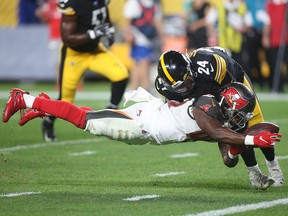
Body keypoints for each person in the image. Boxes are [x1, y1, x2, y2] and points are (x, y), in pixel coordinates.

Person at [2, 84, 281, 189]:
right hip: (141, 124)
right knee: (85, 120)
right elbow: (216, 132)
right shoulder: (206, 108)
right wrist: (250, 140)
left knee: (93, 116)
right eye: (241, 112)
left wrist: (239, 147)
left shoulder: (218, 116)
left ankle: (43, 103)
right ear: (229, 104)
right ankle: (24, 98)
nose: (243, 118)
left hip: (150, 122)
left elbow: (226, 156)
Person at [154, 46, 284, 188]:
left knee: (250, 122)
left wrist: (230, 110)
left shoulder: (211, 65)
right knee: (231, 130)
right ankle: (253, 172)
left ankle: (274, 168)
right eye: (180, 87)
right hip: (201, 97)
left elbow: (234, 89)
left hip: (227, 82)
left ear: (189, 68)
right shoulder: (165, 89)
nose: (186, 87)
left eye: (188, 81)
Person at [41, 0, 129, 142]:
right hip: (74, 55)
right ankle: (48, 123)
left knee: (121, 75)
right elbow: (67, 38)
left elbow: (104, 15)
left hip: (95, 51)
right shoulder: (73, 4)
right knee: (65, 99)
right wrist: (93, 34)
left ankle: (110, 113)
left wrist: (110, 31)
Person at [123, 0, 163, 91]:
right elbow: (127, 20)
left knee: (138, 63)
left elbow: (156, 20)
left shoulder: (155, 3)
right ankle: (146, 86)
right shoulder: (134, 2)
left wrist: (161, 35)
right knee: (144, 61)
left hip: (149, 36)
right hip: (137, 35)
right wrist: (128, 34)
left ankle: (134, 86)